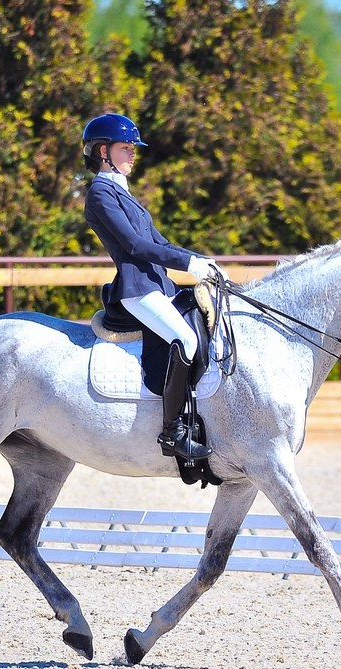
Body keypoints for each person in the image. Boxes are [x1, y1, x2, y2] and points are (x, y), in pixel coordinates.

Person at [82, 112, 224, 464]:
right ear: (103, 151)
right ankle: (174, 431)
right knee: (186, 341)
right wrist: (189, 265)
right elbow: (132, 245)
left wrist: (199, 260)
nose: (132, 154)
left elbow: (160, 241)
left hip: (159, 285)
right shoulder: (100, 194)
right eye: (125, 148)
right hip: (137, 290)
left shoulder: (124, 193)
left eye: (132, 148)